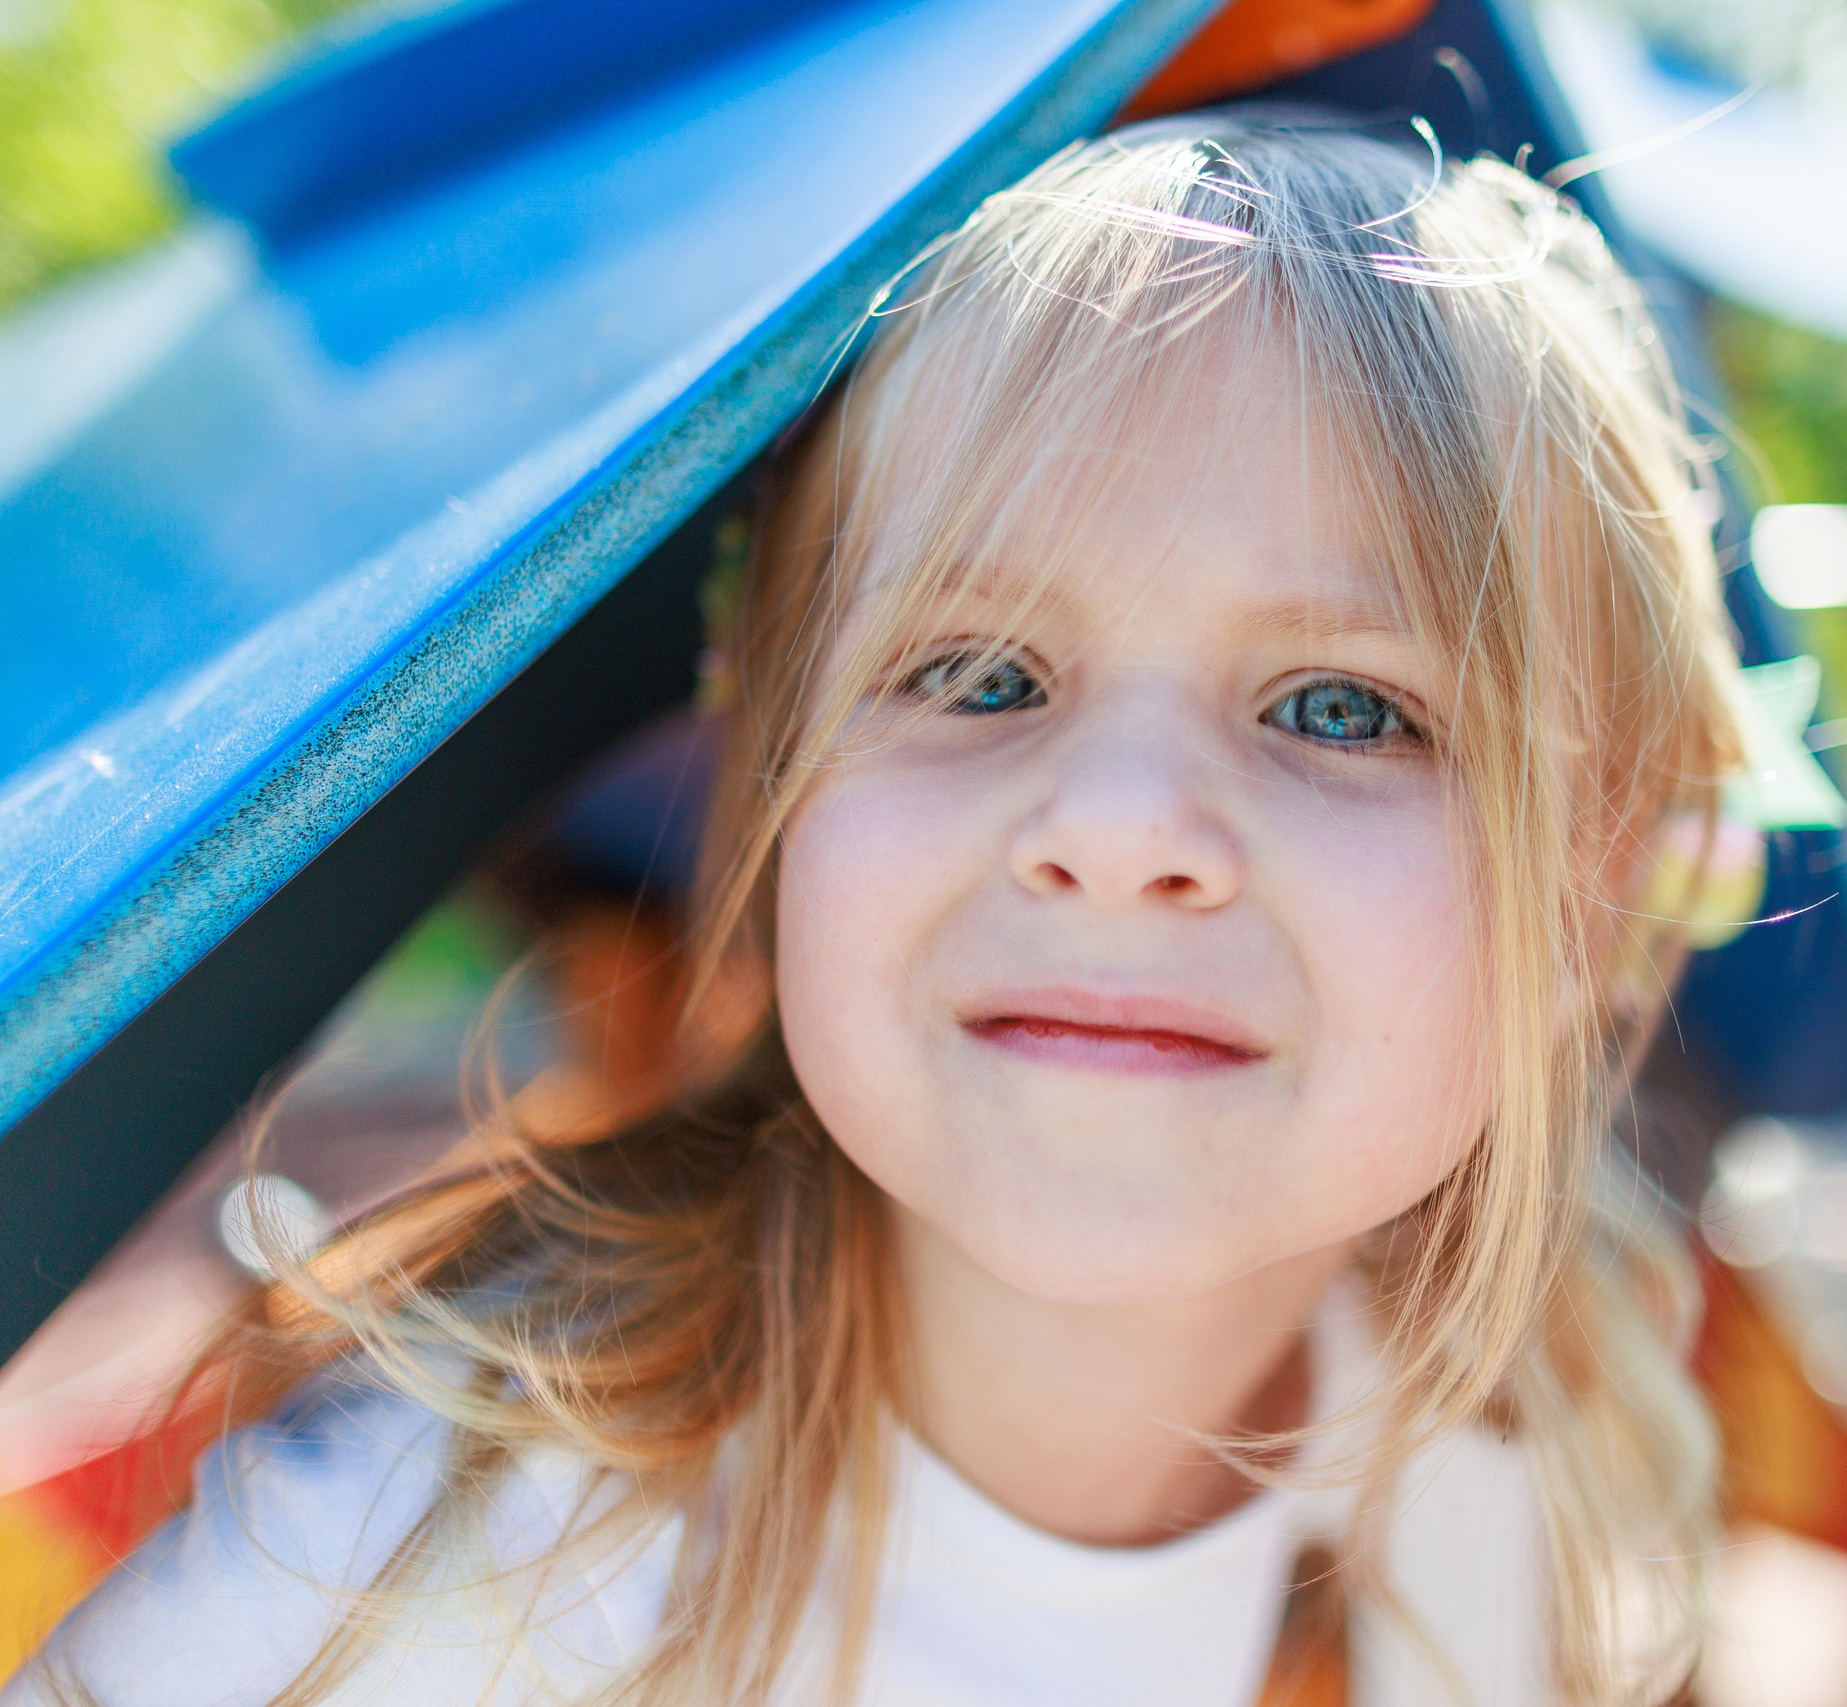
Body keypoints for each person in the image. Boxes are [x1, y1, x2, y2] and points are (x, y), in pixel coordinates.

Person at [5, 113, 1748, 1706]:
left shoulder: (1493, 1500)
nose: (1123, 829)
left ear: (1592, 885)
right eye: (979, 672)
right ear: (774, 783)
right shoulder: (422, 1573)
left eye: (1343, 706)